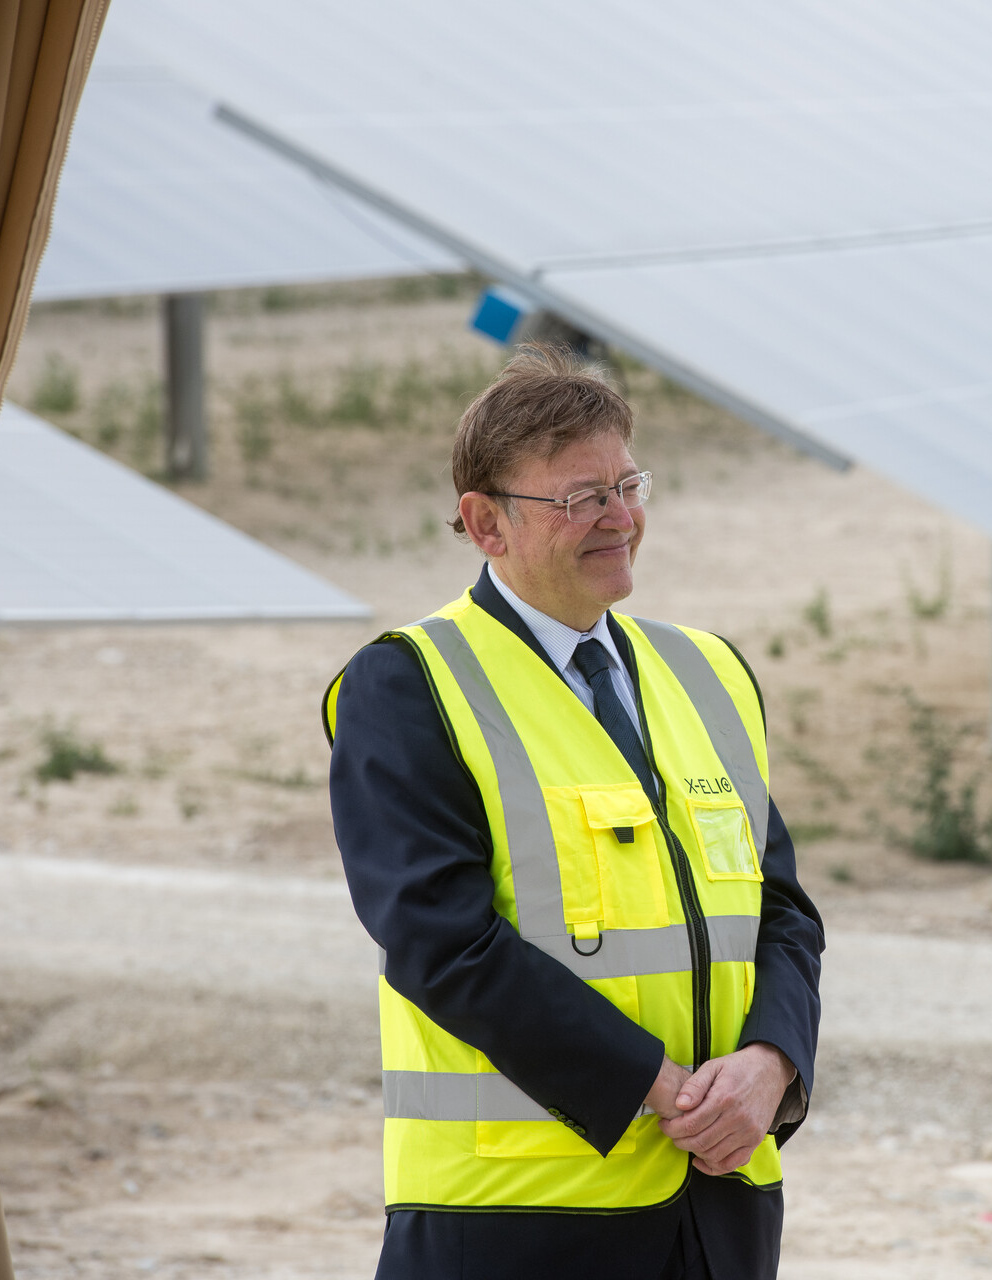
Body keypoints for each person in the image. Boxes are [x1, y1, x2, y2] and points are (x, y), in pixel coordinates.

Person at [324, 344, 824, 1278]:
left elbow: (781, 912)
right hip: (517, 1218)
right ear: (485, 524)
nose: (621, 519)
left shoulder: (708, 672)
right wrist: (656, 1086)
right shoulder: (407, 684)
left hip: (720, 1205)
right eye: (579, 499)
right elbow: (442, 943)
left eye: (627, 484)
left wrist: (770, 1066)